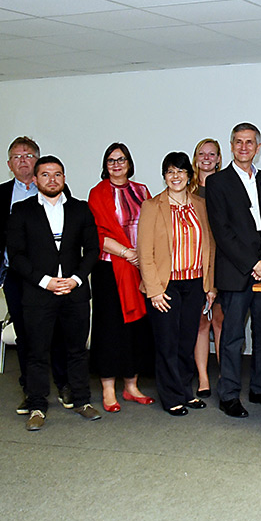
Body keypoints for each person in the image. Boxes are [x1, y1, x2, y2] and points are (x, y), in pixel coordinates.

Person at [5, 156, 101, 430]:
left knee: (77, 350)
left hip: (75, 292)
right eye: (45, 175)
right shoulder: (21, 211)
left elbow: (92, 249)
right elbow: (17, 255)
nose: (52, 180)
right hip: (39, 293)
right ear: (35, 180)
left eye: (57, 174)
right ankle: (37, 405)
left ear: (64, 178)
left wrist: (76, 279)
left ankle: (82, 400)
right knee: (36, 351)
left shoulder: (80, 209)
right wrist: (45, 281)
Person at [0, 136, 72, 414]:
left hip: (51, 277)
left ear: (38, 161)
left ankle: (64, 384)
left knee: (57, 332)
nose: (23, 160)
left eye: (28, 155)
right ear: (9, 164)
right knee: (26, 334)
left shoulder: (55, 188)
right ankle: (30, 390)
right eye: (17, 156)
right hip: (16, 277)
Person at [205, 122, 261, 418]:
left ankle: (260, 388)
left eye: (249, 142)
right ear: (231, 145)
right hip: (238, 272)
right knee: (233, 337)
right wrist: (253, 264)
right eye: (238, 142)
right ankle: (229, 395)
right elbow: (222, 232)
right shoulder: (218, 182)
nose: (243, 147)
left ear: (258, 147)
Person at [138, 152, 216, 416]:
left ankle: (185, 391)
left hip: (194, 284)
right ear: (164, 176)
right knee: (167, 343)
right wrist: (154, 290)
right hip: (165, 286)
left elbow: (210, 248)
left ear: (189, 176)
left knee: (186, 342)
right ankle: (171, 396)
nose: (176, 176)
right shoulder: (152, 206)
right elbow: (145, 252)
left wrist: (210, 285)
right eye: (170, 171)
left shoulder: (200, 205)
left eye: (181, 171)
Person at [87, 142, 155, 413]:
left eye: (121, 159)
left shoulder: (142, 191)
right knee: (109, 329)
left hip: (139, 269)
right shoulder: (98, 193)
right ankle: (107, 389)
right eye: (111, 160)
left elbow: (152, 227)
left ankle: (131, 386)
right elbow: (97, 234)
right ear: (105, 165)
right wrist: (128, 252)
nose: (116, 164)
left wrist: (142, 255)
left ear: (129, 163)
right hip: (109, 270)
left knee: (135, 329)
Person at [190, 138, 223, 397]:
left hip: (222, 261)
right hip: (195, 263)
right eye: (202, 153)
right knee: (201, 321)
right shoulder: (185, 189)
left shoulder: (225, 185)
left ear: (219, 158)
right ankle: (203, 377)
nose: (207, 158)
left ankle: (225, 374)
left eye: (212, 154)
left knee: (221, 320)